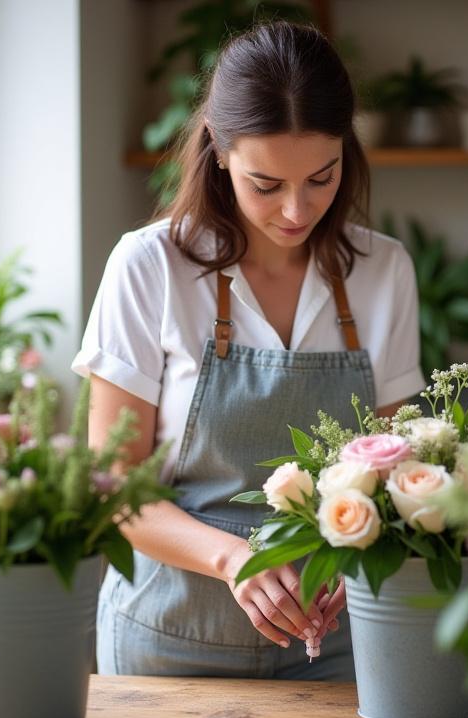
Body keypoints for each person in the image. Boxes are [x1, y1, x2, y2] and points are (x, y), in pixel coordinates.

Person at [72, 20, 425, 681]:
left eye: (322, 177)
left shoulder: (385, 271)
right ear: (220, 150)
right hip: (168, 643)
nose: (297, 210)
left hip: (341, 644)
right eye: (267, 184)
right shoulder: (149, 268)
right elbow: (114, 490)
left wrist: (364, 552)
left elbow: (394, 477)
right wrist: (235, 559)